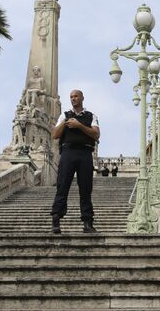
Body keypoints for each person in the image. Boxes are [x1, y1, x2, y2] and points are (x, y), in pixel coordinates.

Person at [50, 90, 100, 234]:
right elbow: (55, 134)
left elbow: (96, 134)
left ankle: (87, 222)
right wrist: (65, 123)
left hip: (85, 153)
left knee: (85, 188)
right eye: (71, 97)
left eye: (76, 96)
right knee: (62, 186)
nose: (73, 99)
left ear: (82, 98)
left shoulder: (91, 116)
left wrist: (79, 126)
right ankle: (56, 219)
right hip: (68, 152)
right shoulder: (64, 116)